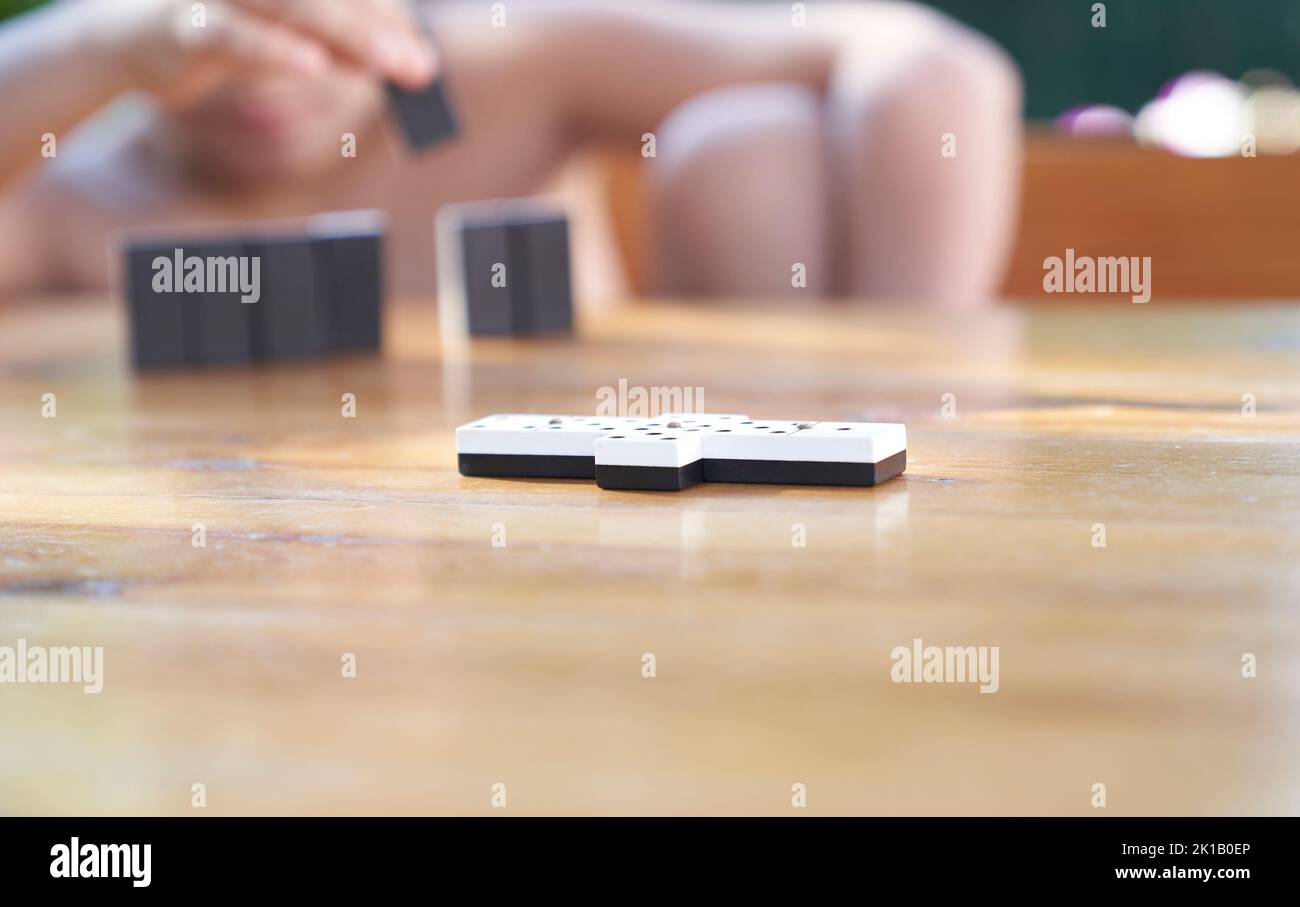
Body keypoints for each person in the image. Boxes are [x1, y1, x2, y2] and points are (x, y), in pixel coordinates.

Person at [0, 0, 1022, 307]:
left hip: (600, 554)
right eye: (221, 43)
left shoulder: (494, 80)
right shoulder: (70, 205)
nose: (267, 80)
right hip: (258, 603)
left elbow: (938, 73)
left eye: (315, 30)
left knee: (750, 145)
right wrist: (92, 42)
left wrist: (917, 390)